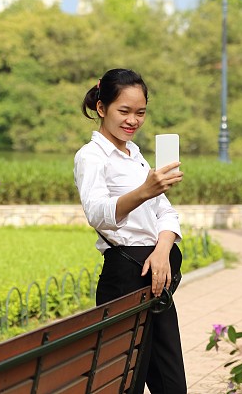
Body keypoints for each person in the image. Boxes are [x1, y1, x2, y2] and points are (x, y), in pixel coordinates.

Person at [73, 68, 186, 394]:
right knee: (125, 381)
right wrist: (145, 191)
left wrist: (163, 250)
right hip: (125, 276)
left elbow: (166, 212)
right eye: (124, 111)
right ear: (102, 108)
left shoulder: (134, 154)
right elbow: (97, 214)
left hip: (157, 272)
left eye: (140, 112)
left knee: (171, 381)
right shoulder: (91, 157)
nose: (133, 120)